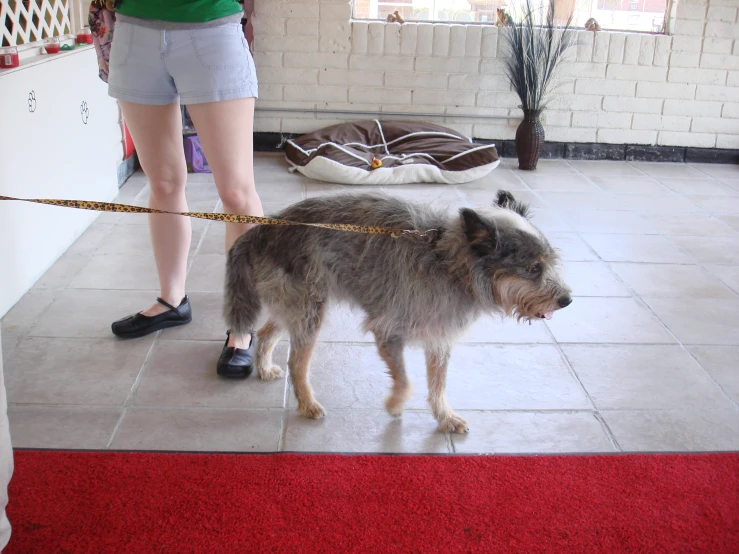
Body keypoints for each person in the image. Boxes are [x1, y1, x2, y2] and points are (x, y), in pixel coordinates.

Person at [106, 0, 259, 377]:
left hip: (210, 27)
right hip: (133, 30)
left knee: (236, 193)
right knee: (162, 182)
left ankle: (242, 323)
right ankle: (172, 301)